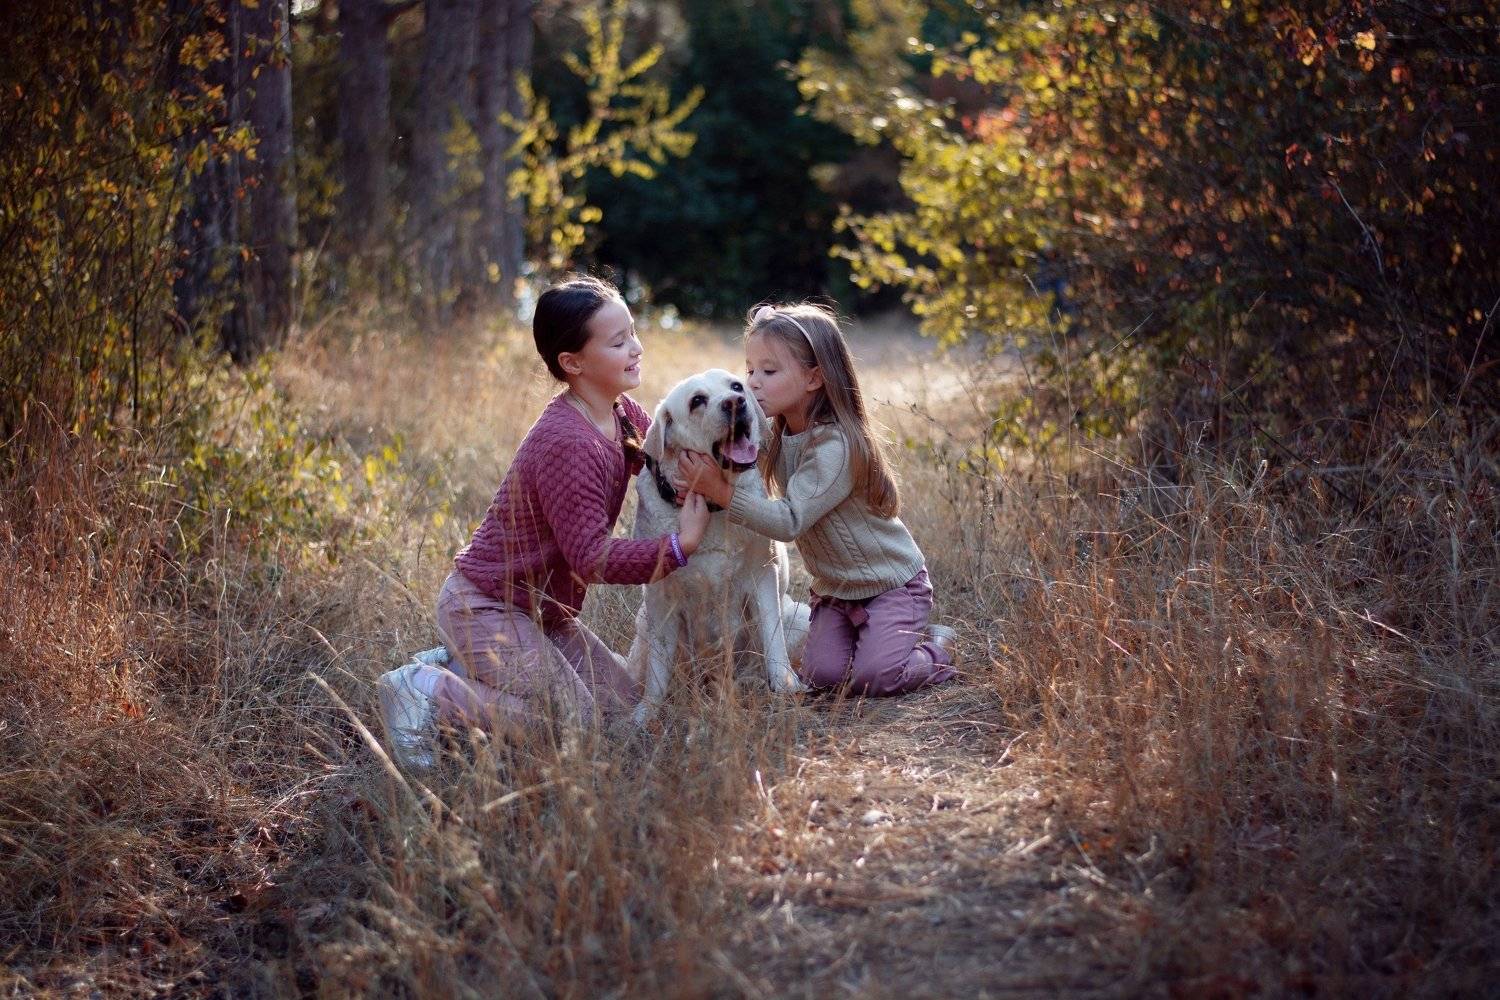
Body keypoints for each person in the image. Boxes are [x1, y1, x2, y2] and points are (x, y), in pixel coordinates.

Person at [378, 276, 710, 766]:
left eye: (633, 333)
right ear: (573, 363)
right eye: (618, 342)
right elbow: (592, 557)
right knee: (576, 726)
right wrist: (680, 547)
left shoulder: (621, 414)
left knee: (625, 711)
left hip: (544, 614)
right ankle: (426, 689)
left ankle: (465, 668)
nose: (636, 348)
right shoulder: (567, 442)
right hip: (485, 606)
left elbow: (666, 457)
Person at [679, 303, 957, 698]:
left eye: (769, 372)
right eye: (750, 370)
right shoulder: (780, 433)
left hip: (890, 586)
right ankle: (876, 640)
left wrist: (719, 492)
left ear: (814, 378)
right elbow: (731, 450)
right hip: (834, 593)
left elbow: (789, 521)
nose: (753, 383)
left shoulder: (835, 446)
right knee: (823, 677)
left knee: (875, 677)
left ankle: (937, 648)